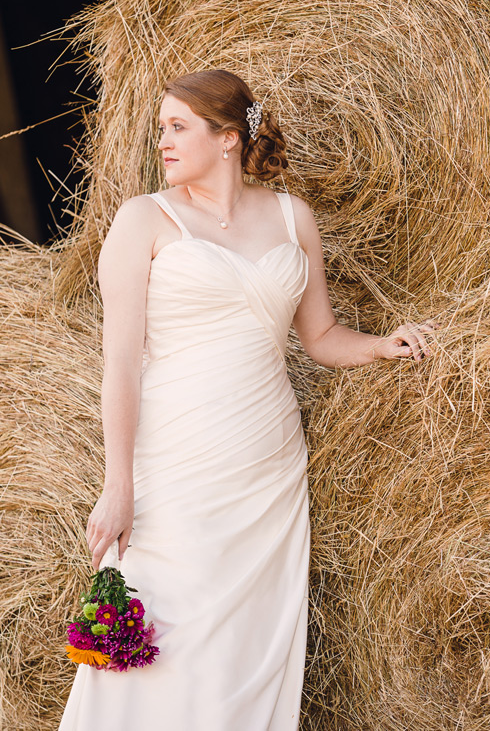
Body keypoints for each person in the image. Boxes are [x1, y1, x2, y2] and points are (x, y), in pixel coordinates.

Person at [60, 69, 436, 729]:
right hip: (174, 464)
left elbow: (318, 335)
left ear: (229, 136)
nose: (162, 142)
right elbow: (119, 362)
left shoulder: (293, 217)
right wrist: (118, 484)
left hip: (267, 467)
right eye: (160, 129)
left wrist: (382, 344)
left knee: (244, 652)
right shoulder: (143, 219)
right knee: (165, 641)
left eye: (178, 127)